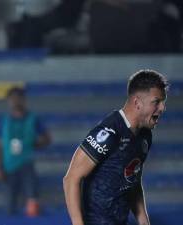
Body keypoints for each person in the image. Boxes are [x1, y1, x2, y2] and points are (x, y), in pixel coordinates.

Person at [63, 70, 168, 225]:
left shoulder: (145, 136)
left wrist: (143, 219)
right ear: (137, 103)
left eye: (163, 102)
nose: (162, 108)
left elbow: (133, 178)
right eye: (156, 102)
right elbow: (71, 179)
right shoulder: (109, 133)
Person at [0, 87, 51, 217]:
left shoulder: (33, 118)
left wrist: (32, 144)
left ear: (24, 100)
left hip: (27, 164)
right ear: (8, 101)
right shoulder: (5, 121)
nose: (16, 102)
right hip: (9, 167)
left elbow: (47, 139)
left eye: (18, 98)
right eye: (12, 99)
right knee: (10, 205)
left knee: (32, 203)